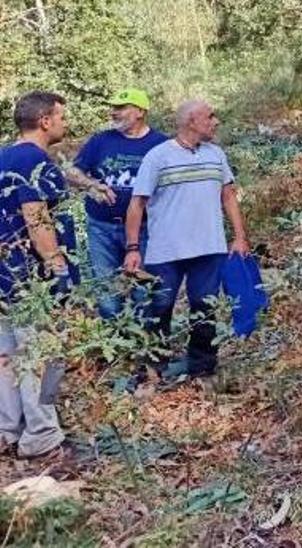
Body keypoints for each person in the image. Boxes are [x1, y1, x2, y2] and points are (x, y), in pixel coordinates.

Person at [124, 99, 250, 385]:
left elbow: (228, 195)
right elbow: (137, 204)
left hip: (209, 248)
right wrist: (133, 248)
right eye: (210, 116)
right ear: (191, 121)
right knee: (159, 308)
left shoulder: (216, 154)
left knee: (204, 308)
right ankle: (152, 370)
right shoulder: (158, 157)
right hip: (166, 250)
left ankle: (202, 367)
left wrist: (240, 237)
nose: (216, 121)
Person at [0, 91, 78, 459]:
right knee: (43, 354)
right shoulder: (34, 160)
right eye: (61, 116)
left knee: (7, 358)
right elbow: (36, 217)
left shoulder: (3, 158)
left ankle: (9, 431)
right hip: (32, 279)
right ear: (45, 120)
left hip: (4, 276)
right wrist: (56, 264)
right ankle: (43, 434)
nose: (65, 122)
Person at [66, 88, 168, 320]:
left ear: (140, 111)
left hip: (146, 230)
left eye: (121, 108)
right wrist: (90, 184)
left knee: (145, 293)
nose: (113, 112)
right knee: (108, 296)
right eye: (113, 108)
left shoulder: (161, 144)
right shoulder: (100, 141)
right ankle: (116, 349)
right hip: (101, 228)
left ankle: (143, 347)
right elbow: (72, 171)